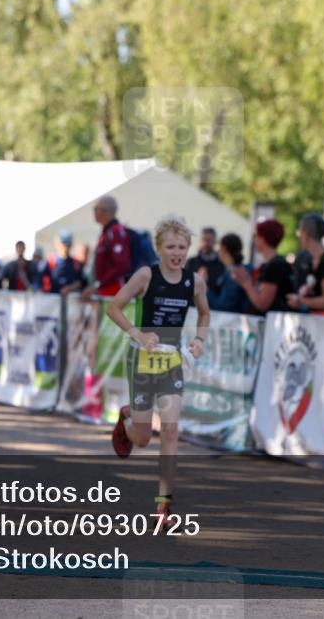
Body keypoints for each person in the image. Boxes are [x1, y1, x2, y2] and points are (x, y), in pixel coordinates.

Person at [107, 214, 210, 520]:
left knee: (170, 431)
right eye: (170, 247)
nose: (177, 253)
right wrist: (136, 333)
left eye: (182, 247)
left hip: (171, 362)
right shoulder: (145, 277)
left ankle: (163, 503)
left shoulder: (195, 281)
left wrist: (199, 340)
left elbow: (204, 314)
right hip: (141, 361)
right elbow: (113, 307)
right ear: (159, 249)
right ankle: (127, 421)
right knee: (142, 438)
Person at [230, 219, 293, 314]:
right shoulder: (270, 264)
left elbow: (262, 304)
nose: (254, 240)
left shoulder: (275, 265)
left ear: (263, 238)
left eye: (256, 236)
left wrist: (246, 282)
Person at [287, 213, 324, 315]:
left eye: (300, 231)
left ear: (307, 234)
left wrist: (300, 300)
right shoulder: (312, 261)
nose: (299, 236)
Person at [82, 196, 132, 299]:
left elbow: (123, 265)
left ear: (105, 211)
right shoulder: (106, 233)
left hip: (114, 293)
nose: (94, 212)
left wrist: (98, 284)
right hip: (105, 293)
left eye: (95, 209)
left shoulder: (116, 232)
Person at [207, 233, 253, 314]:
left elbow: (222, 306)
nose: (217, 251)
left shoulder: (234, 274)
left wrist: (205, 289)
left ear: (224, 249)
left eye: (219, 248)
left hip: (232, 322)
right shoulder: (237, 270)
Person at [42, 230, 88, 294]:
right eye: (64, 244)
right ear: (57, 244)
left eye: (68, 245)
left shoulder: (76, 264)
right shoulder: (50, 261)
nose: (66, 247)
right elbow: (39, 280)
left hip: (70, 300)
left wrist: (69, 288)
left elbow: (82, 281)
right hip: (52, 299)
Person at [187, 227, 225, 294]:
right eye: (204, 240)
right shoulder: (191, 262)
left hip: (214, 303)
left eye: (209, 240)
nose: (206, 243)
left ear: (215, 241)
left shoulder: (222, 264)